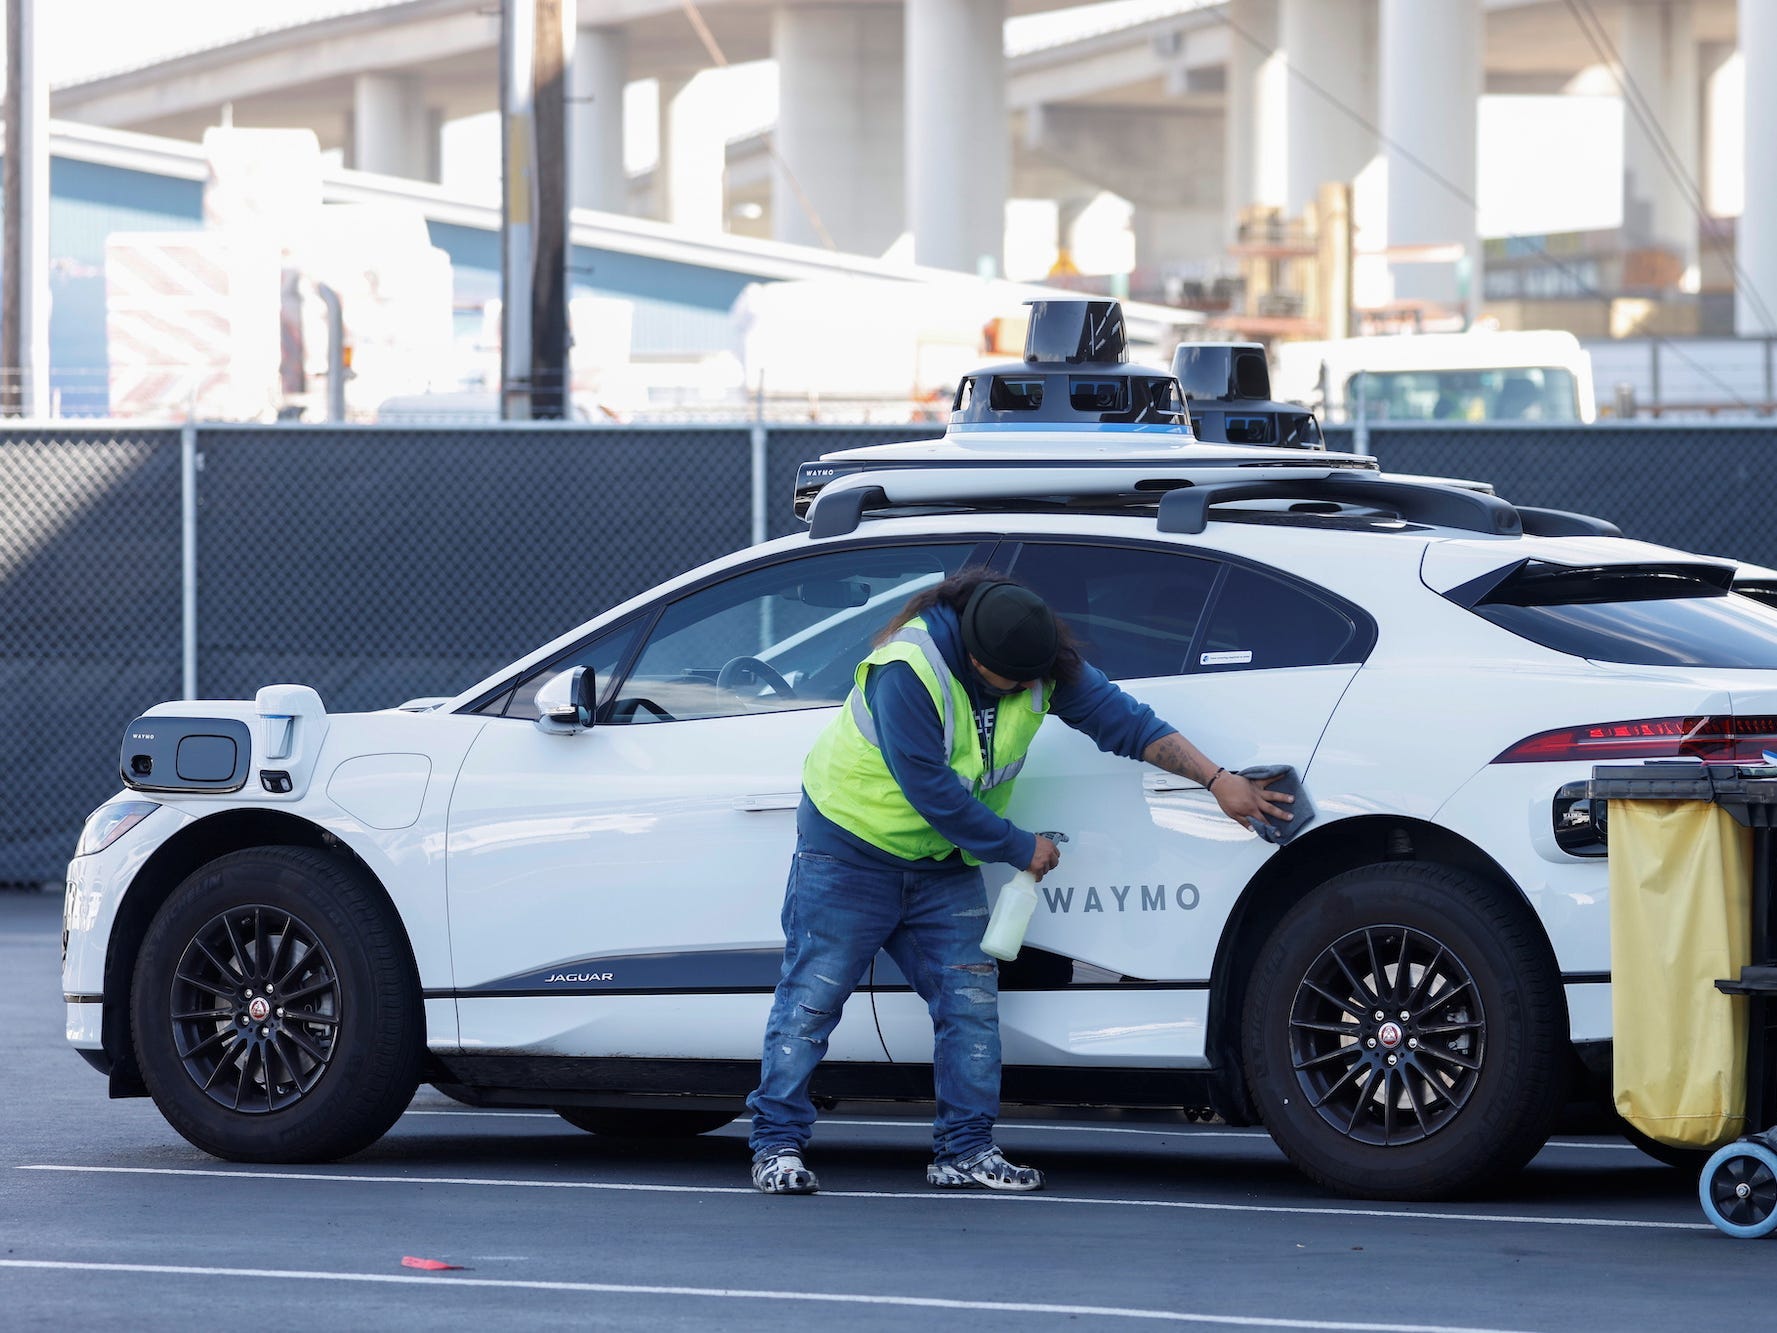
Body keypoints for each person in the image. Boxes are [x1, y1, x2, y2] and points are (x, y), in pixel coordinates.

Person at [745, 569, 1292, 1196]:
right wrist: (1017, 847)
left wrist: (1216, 777)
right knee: (811, 1004)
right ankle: (777, 1147)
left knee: (970, 1007)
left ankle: (965, 1152)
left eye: (1039, 679)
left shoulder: (1037, 661)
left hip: (941, 865)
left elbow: (1126, 722)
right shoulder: (908, 670)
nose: (1032, 690)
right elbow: (932, 791)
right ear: (976, 660)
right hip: (848, 853)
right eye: (1016, 682)